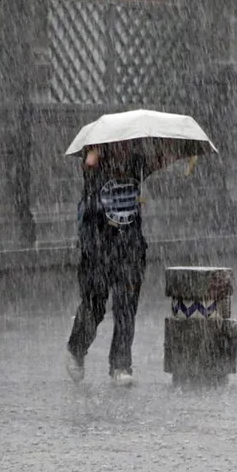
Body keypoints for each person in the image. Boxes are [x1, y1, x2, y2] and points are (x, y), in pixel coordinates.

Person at [65, 143, 151, 386]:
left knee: (126, 306)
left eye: (128, 147)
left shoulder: (137, 163)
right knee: (95, 305)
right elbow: (89, 166)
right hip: (98, 245)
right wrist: (95, 155)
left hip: (130, 245)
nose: (125, 152)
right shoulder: (95, 165)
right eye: (119, 148)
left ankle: (121, 365)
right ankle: (76, 349)